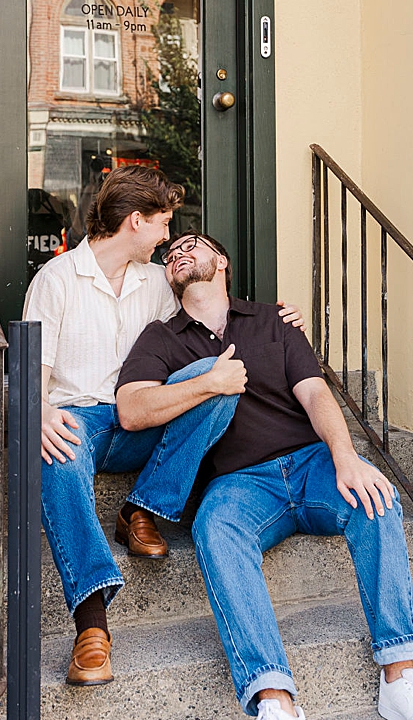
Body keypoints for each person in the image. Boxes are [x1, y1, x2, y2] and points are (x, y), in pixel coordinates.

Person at [114, 231, 413, 720]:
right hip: (240, 483)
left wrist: (346, 456)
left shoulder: (274, 320)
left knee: (376, 499)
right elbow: (132, 412)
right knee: (215, 529)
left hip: (309, 463)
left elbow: (316, 392)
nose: (178, 253)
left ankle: (401, 678)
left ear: (223, 261)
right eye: (170, 252)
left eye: (192, 245)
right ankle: (276, 711)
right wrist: (206, 383)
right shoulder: (161, 338)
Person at [23, 169, 293, 685]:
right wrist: (38, 413)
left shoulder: (155, 280)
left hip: (140, 420)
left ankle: (141, 507)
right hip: (78, 420)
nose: (168, 238)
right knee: (55, 452)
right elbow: (33, 371)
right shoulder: (57, 280)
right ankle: (92, 624)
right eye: (163, 224)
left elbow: (210, 309)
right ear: (134, 221)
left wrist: (278, 318)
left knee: (210, 380)